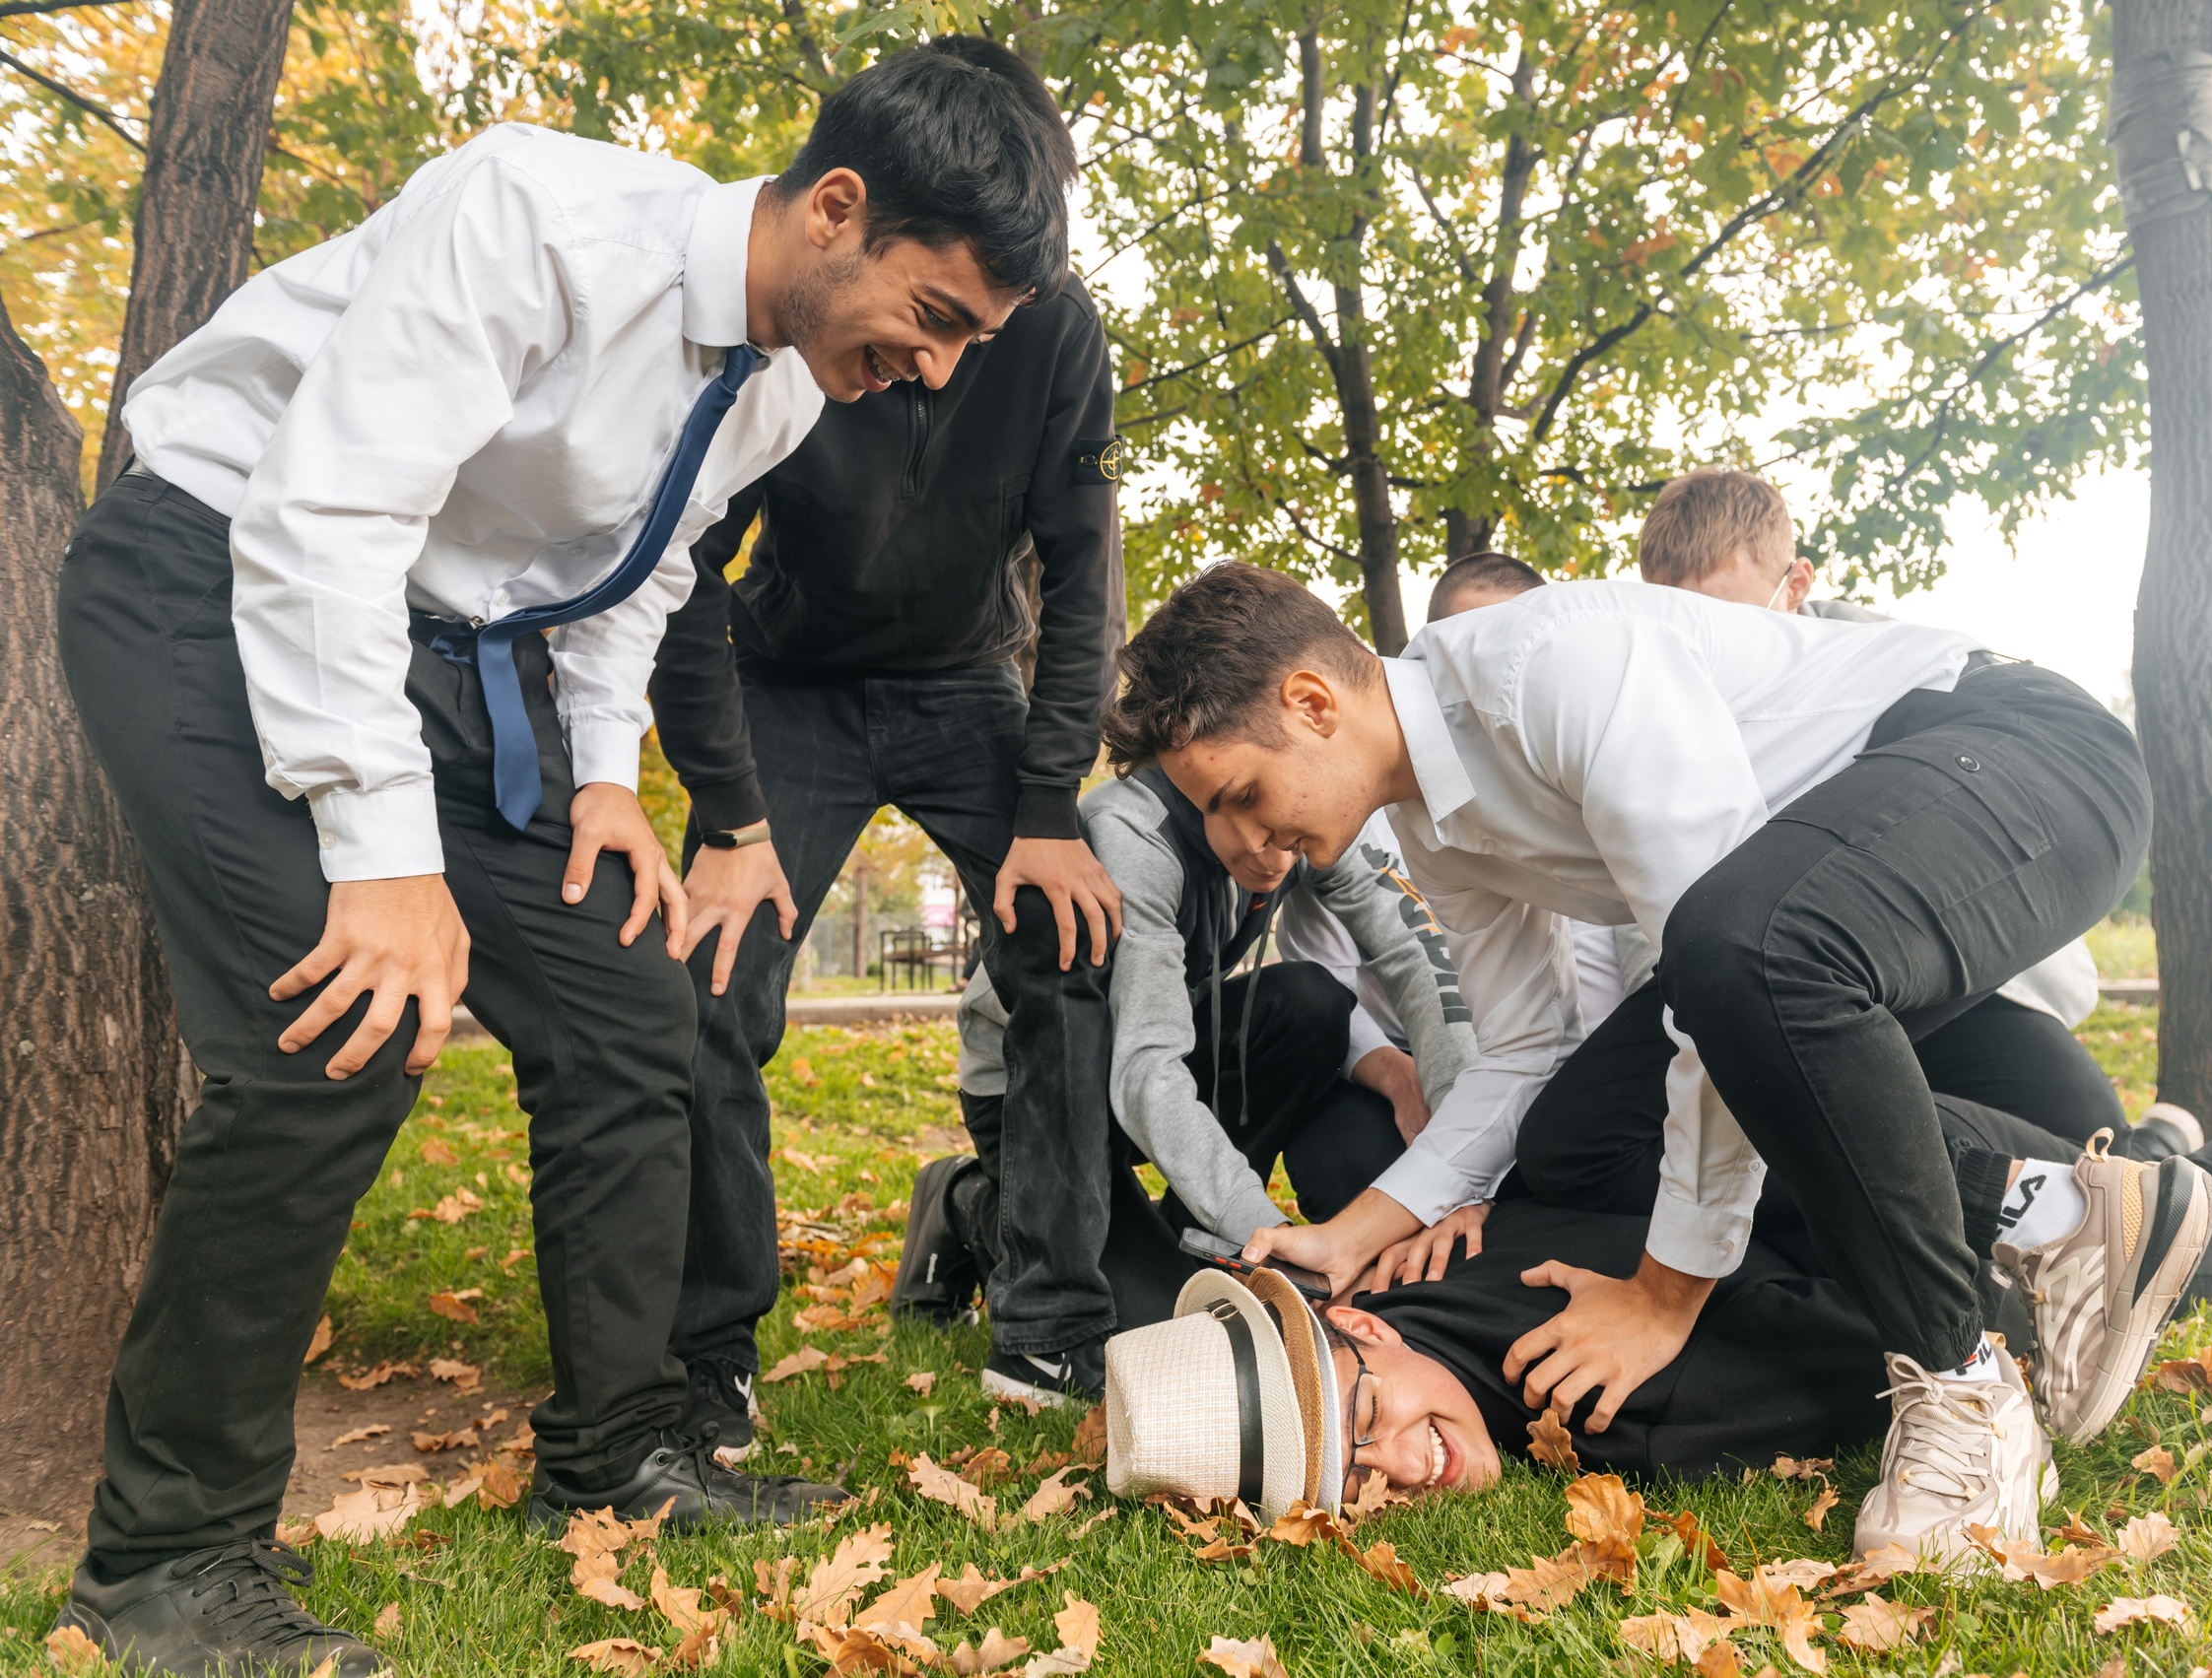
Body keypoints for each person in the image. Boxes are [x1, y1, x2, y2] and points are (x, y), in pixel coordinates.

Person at [47, 41, 1072, 1673]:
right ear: (835, 208)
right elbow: (327, 516)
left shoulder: (781, 385)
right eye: (936, 314)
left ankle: (619, 1455)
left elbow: (636, 575)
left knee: (634, 1006)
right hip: (217, 574)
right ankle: (164, 1558)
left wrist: (605, 783)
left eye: (972, 341)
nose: (938, 368)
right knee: (337, 1030)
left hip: (449, 653)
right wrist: (381, 852)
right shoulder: (536, 217)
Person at [1099, 561, 2205, 1563]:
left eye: (1241, 793)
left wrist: (1666, 1293)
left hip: (2024, 763)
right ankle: (2054, 1210)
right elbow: (1523, 1046)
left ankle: (1965, 1385)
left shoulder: (1551, 667)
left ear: (1310, 702)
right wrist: (1356, 1229)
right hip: (1840, 905)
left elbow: (1727, 975)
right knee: (1575, 1121)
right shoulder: (1437, 826)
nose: (1242, 837)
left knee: (1725, 950)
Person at [648, 41, 1119, 1433]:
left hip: (967, 683)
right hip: (789, 683)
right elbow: (685, 567)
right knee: (712, 975)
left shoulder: (1054, 335)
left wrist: (1051, 801)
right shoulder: (791, 313)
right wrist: (730, 807)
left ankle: (1051, 1325)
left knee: (1070, 949)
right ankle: (707, 1345)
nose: (944, 350)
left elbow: (1082, 572)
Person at [1104, 1065, 2212, 1503]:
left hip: (1909, 1198)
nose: (1406, 1462)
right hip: (1882, 1166)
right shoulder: (1443, 1300)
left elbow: (1859, 1359)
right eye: (1353, 1482)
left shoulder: (1571, 1373)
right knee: (2174, 1213)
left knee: (2202, 1249)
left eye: (1369, 1418)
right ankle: (2145, 1155)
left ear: (1353, 1318)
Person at [1634, 467, 2197, 1157]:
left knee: (2091, 1145)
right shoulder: (1659, 705)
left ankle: (2163, 1149)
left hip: (1953, 971)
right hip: (1802, 989)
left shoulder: (1898, 667)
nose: (1706, 651)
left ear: (1797, 583)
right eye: (1681, 625)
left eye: (1730, 621)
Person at [905, 772, 1477, 1401]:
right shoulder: (1131, 831)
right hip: (1043, 1086)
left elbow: (1416, 959)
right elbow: (1145, 1072)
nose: (1273, 856)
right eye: (1253, 817)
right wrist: (1273, 1240)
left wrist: (1461, 1158)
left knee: (1309, 1004)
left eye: (1293, 839)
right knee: (1156, 1335)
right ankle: (965, 1198)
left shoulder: (1311, 793)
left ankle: (1190, 1236)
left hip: (1153, 1045)